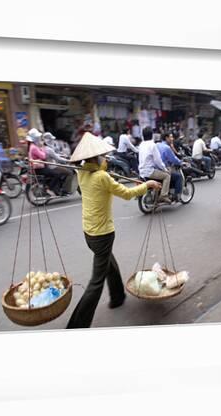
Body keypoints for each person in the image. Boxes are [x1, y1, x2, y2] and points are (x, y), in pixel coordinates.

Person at [66, 132, 161, 329]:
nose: (106, 159)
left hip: (89, 234)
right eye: (103, 156)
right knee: (96, 282)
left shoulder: (82, 173)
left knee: (109, 261)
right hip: (102, 234)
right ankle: (77, 326)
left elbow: (80, 167)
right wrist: (148, 185)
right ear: (96, 158)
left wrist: (99, 167)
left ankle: (117, 296)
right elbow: (127, 194)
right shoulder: (102, 177)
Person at [138, 127, 171, 203]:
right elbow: (158, 161)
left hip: (141, 171)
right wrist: (165, 169)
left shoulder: (141, 145)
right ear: (152, 135)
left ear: (143, 136)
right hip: (149, 171)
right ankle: (163, 196)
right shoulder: (152, 145)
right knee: (167, 176)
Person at [27, 128, 61, 197]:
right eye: (38, 137)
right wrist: (42, 147)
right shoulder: (34, 148)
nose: (39, 139)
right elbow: (43, 156)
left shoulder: (32, 146)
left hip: (39, 166)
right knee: (56, 174)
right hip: (39, 168)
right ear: (34, 138)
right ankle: (50, 189)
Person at [157, 133, 183, 198]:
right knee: (178, 177)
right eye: (171, 137)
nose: (172, 139)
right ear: (166, 138)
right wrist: (181, 162)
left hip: (156, 169)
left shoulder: (157, 145)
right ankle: (176, 196)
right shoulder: (167, 147)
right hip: (163, 169)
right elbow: (173, 159)